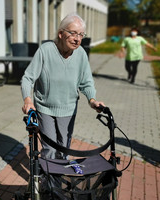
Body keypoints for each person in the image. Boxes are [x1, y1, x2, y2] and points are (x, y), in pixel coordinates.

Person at [21, 13, 105, 160]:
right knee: (50, 149)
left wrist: (92, 100)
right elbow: (28, 78)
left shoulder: (81, 55)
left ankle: (58, 179)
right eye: (73, 33)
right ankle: (52, 182)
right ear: (61, 33)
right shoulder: (46, 50)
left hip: (68, 109)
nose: (77, 39)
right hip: (45, 107)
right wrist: (28, 100)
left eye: (80, 34)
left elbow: (86, 82)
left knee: (64, 149)